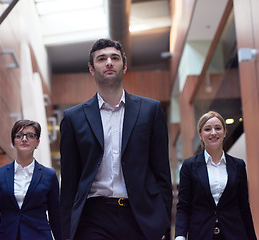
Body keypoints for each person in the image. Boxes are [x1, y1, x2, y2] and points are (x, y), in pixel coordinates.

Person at [59, 38, 173, 240]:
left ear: (125, 66)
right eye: (101, 59)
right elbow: (69, 183)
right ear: (92, 69)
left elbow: (161, 172)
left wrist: (162, 222)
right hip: (92, 217)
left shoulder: (150, 111)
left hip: (140, 217)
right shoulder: (73, 118)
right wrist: (65, 233)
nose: (109, 62)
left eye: (115, 58)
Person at [174, 111, 257, 240]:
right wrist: (180, 235)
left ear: (224, 132)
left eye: (218, 128)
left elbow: (244, 207)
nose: (213, 132)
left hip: (235, 234)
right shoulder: (189, 166)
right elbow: (184, 206)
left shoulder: (238, 166)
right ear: (200, 134)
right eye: (207, 129)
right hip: (201, 234)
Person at [0, 120, 62, 240]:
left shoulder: (49, 175)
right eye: (19, 136)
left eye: (30, 136)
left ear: (37, 142)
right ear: (13, 142)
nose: (24, 139)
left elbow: (56, 216)